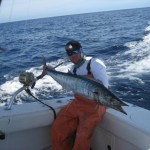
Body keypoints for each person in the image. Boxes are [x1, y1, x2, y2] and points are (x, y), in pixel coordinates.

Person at [51, 40, 108, 150]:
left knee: (82, 137)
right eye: (69, 54)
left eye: (75, 51)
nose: (72, 55)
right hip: (77, 103)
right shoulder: (73, 69)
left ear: (81, 50)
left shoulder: (94, 63)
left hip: (95, 106)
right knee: (57, 128)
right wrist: (50, 71)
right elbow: (68, 86)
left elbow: (103, 89)